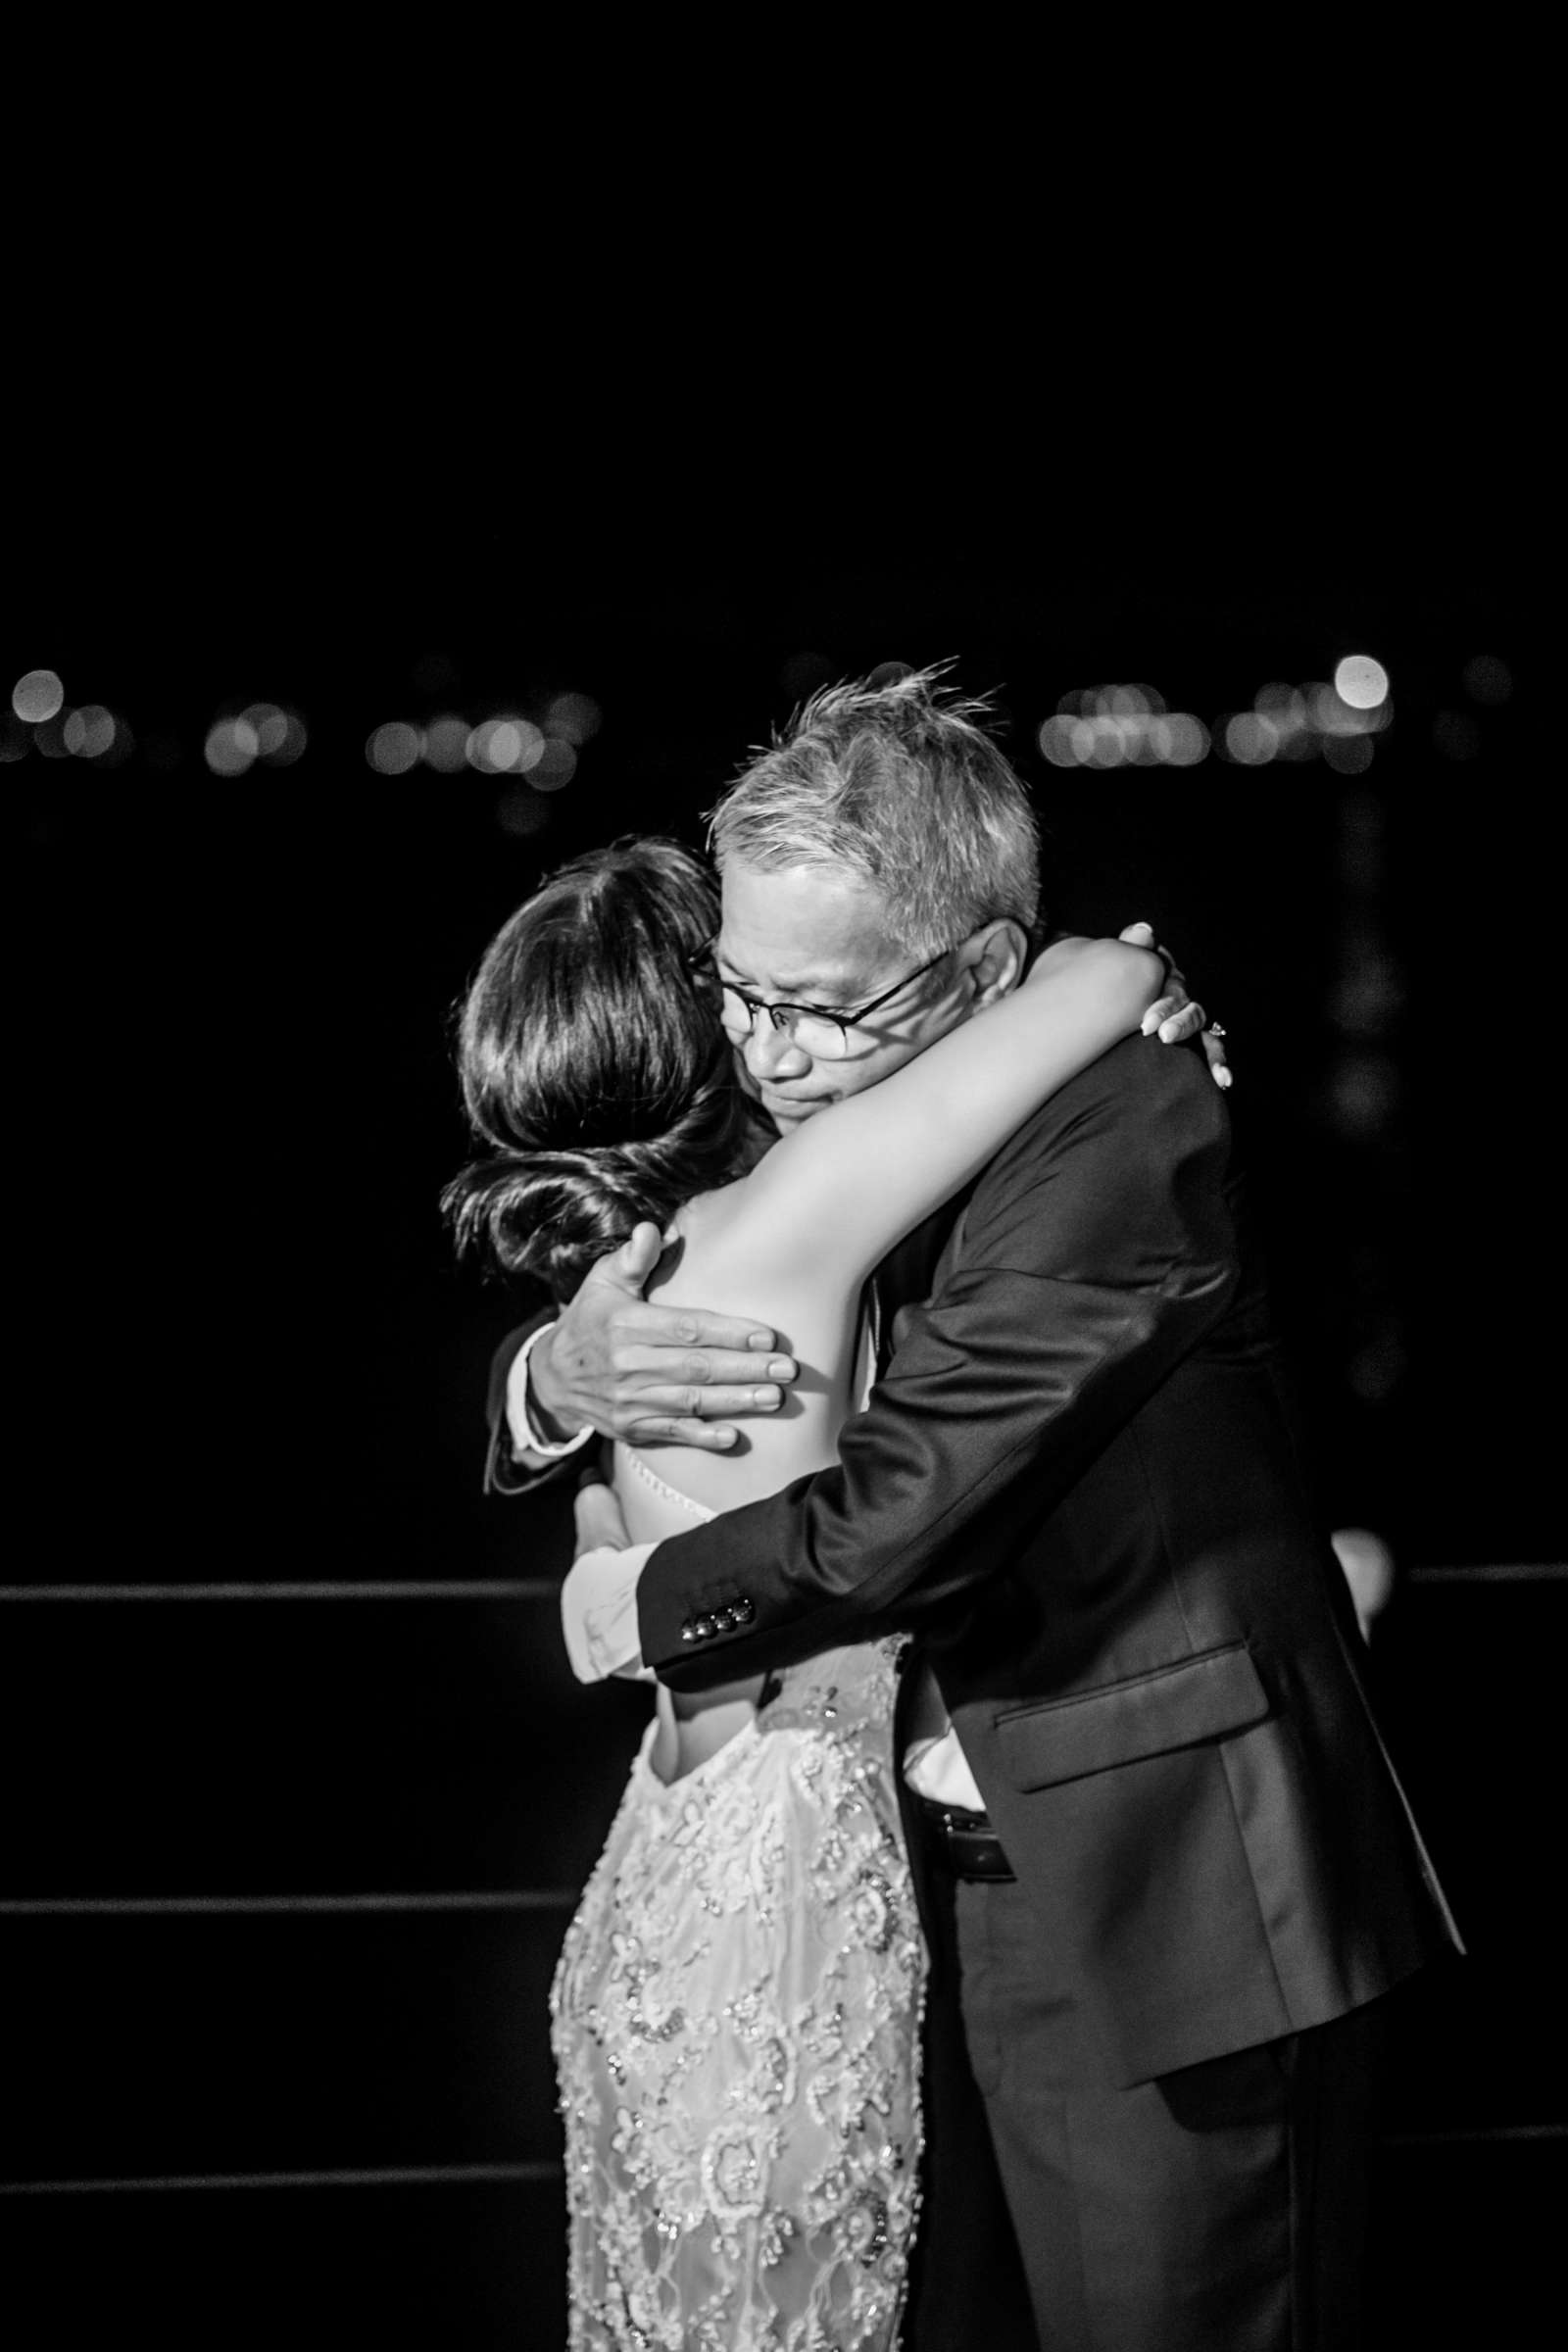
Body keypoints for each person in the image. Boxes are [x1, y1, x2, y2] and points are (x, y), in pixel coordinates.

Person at [514, 667, 1461, 2352]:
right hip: (905, 1898)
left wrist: (623, 1604)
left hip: (1156, 1903)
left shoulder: (1128, 1123)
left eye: (816, 1008)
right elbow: (645, 1253)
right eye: (739, 992)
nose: (764, 1051)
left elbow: (903, 1509)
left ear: (984, 973)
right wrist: (550, 1382)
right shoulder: (846, 1091)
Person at [448, 821, 1199, 2349]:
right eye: (741, 993)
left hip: (667, 1860)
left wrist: (566, 1446)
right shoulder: (795, 1221)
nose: (773, 1030)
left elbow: (605, 1517)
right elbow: (1100, 976)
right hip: (777, 1898)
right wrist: (1129, 976)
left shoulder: (653, 1273)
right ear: (701, 1032)